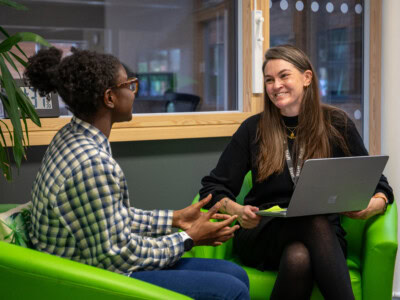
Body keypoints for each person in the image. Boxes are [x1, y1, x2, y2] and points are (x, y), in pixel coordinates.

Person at [25, 47, 250, 300]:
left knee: (235, 273)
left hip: (93, 262)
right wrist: (189, 238)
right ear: (110, 98)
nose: (135, 92)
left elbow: (110, 218)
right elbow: (118, 257)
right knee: (233, 290)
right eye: (129, 85)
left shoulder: (71, 136)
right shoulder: (94, 164)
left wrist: (175, 219)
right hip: (90, 280)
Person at [199, 44, 394, 300]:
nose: (275, 85)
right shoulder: (253, 129)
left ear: (306, 78)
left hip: (324, 234)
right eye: (269, 80)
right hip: (264, 233)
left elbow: (379, 184)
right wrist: (236, 211)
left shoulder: (337, 124)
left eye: (283, 76)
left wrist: (373, 206)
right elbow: (212, 187)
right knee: (313, 222)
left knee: (298, 258)